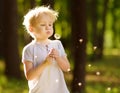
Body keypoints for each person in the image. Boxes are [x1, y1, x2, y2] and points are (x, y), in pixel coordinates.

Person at [22, 6, 70, 93]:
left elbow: (67, 68)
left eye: (50, 24)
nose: (48, 27)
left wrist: (58, 58)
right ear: (31, 29)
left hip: (60, 90)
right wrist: (45, 63)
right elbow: (29, 76)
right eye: (43, 25)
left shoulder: (57, 44)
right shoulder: (29, 49)